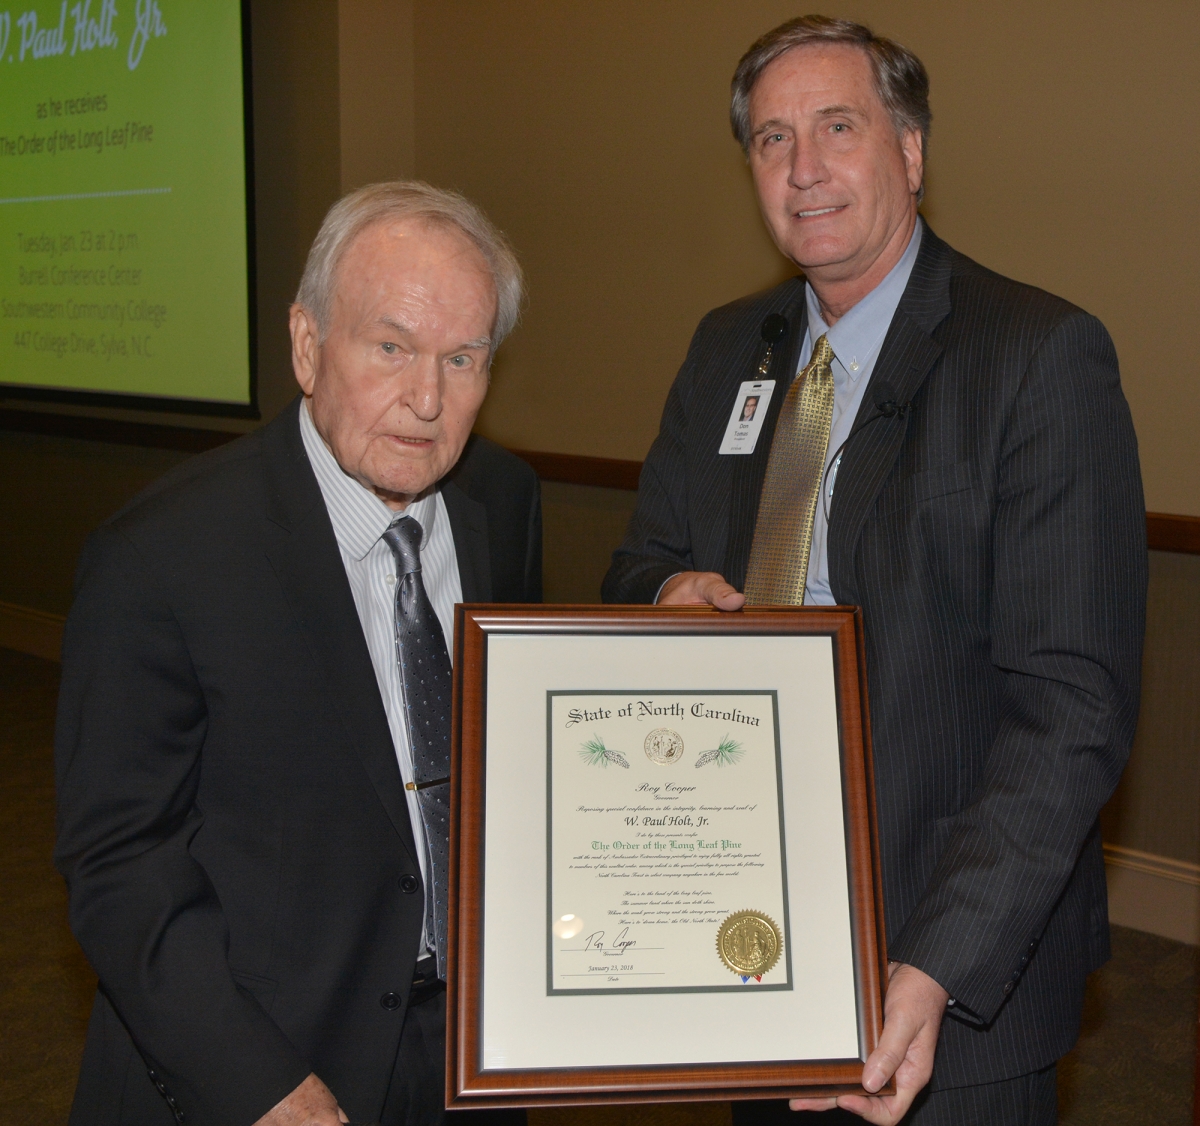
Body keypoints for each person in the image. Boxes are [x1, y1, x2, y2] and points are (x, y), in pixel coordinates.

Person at [603, 16, 1145, 1126]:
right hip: (750, 936)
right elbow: (639, 562)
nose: (803, 169)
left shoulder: (1037, 355)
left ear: (908, 151)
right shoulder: (725, 352)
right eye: (770, 139)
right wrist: (668, 597)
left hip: (950, 967)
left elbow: (1072, 709)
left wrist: (937, 961)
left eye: (836, 128)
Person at [55, 182, 540, 1126]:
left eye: (463, 357)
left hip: (472, 1060)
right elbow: (119, 861)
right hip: (259, 1067)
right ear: (308, 346)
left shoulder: (503, 504)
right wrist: (256, 1083)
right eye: (391, 347)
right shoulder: (161, 554)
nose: (428, 397)